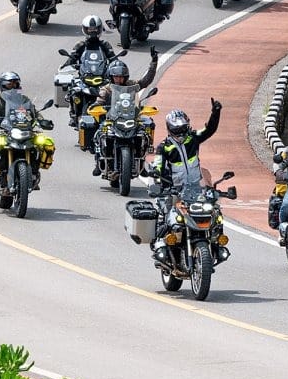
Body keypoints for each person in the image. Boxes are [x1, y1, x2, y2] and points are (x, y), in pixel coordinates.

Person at [149, 99, 222, 261]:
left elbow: (210, 129)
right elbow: (158, 166)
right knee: (168, 218)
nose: (181, 133)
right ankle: (160, 245)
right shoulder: (164, 147)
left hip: (195, 189)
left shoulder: (193, 138)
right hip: (173, 191)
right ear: (170, 129)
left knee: (214, 213)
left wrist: (216, 112)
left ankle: (216, 244)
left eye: (183, 129)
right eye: (177, 129)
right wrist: (158, 182)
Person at [91, 51, 159, 175]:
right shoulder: (106, 89)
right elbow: (100, 100)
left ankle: (141, 162)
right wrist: (97, 105)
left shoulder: (131, 85)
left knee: (144, 133)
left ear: (126, 77)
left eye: (121, 76)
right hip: (112, 119)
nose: (119, 79)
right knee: (99, 133)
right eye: (116, 76)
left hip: (130, 118)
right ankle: (98, 163)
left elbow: (146, 81)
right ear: (111, 76)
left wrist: (153, 63)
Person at [0, 72, 50, 188]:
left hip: (22, 128)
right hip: (1, 129)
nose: (12, 87)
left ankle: (33, 173)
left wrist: (42, 120)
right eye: (9, 84)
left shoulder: (23, 99)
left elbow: (34, 112)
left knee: (42, 144)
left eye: (15, 84)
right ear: (2, 85)